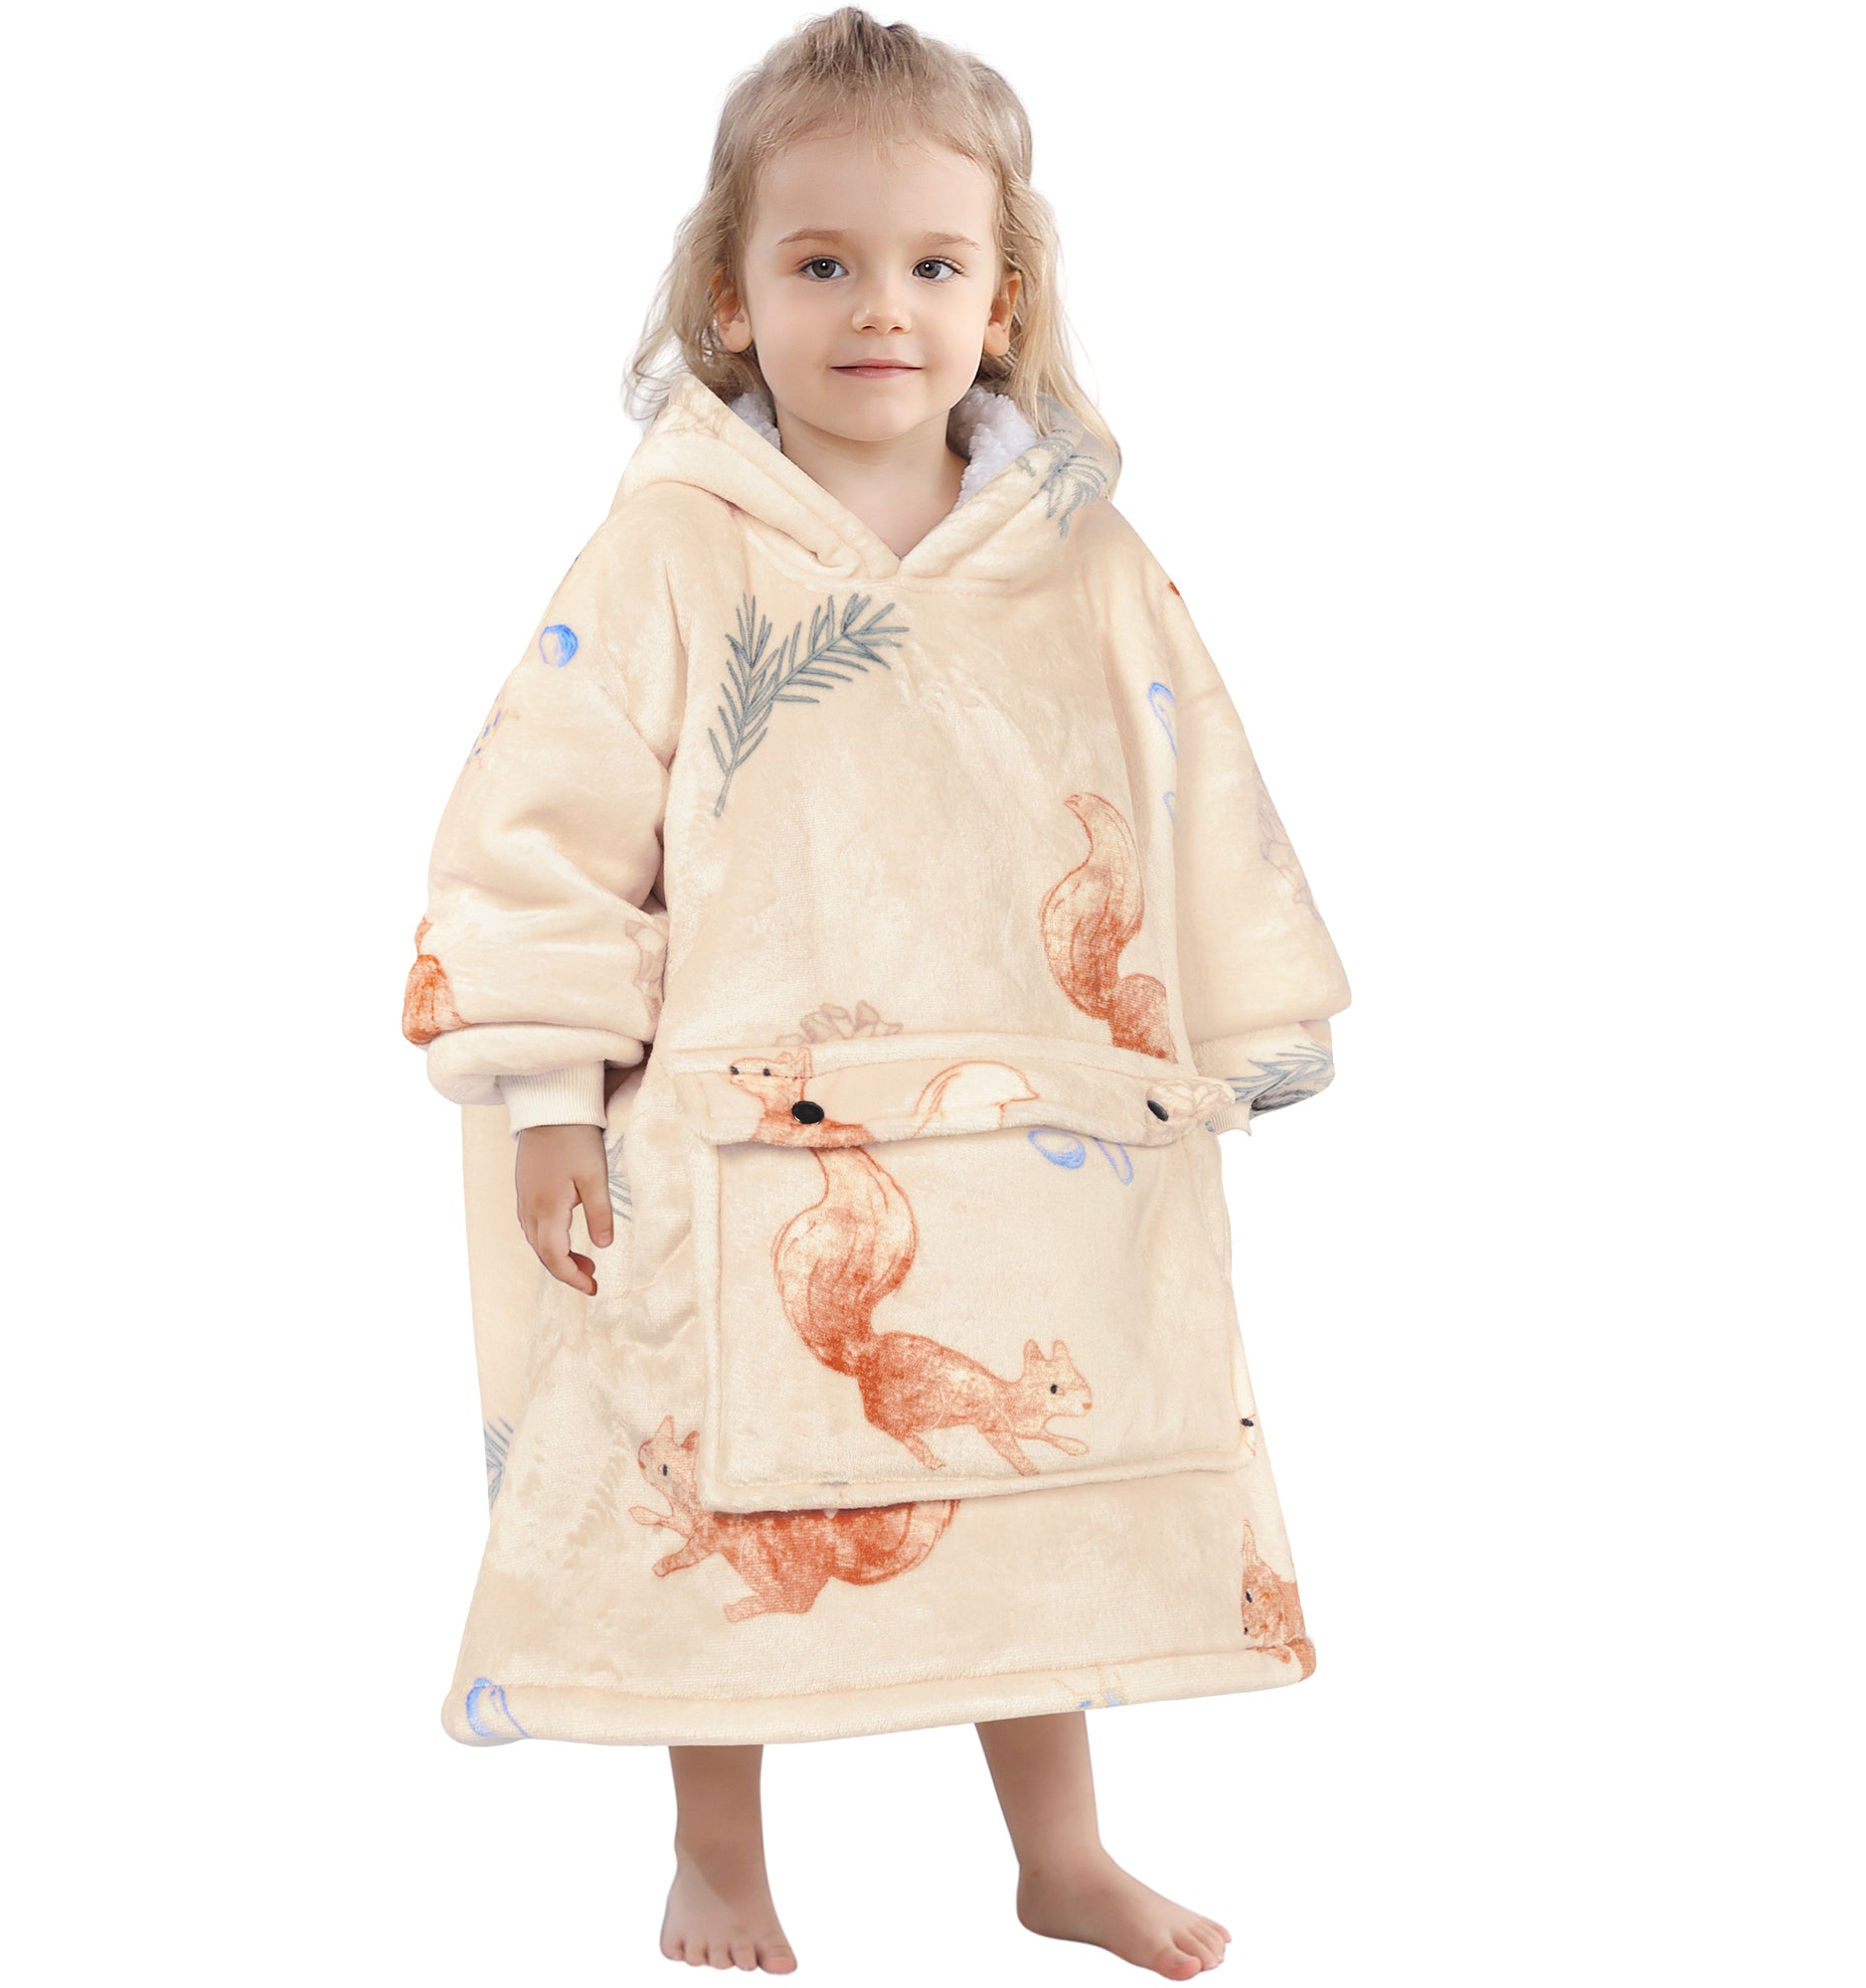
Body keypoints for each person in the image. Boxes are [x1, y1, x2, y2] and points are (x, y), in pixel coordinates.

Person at [402, 9, 1352, 1977]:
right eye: (821, 261)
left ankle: (1060, 1855)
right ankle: (718, 1856)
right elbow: (545, 827)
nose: (878, 309)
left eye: (931, 264)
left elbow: (1192, 779)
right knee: (726, 1497)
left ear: (1002, 302)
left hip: (1034, 1122)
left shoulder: (1086, 559)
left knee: (1024, 1482)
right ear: (731, 297)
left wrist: (1241, 1029)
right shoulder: (670, 553)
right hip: (747, 1127)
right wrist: (554, 1096)